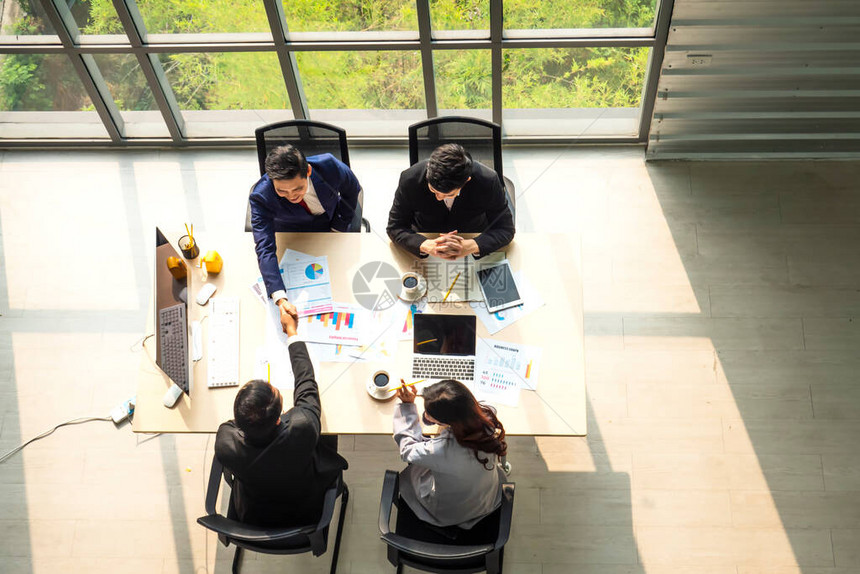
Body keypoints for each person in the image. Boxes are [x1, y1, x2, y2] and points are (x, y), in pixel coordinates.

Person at [214, 308, 348, 527]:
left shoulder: (225, 443)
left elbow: (231, 426)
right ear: (279, 418)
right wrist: (292, 334)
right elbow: (306, 386)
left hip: (253, 515)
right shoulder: (302, 428)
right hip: (305, 512)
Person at [250, 144, 363, 333]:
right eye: (282, 192)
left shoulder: (328, 166)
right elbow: (264, 247)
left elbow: (352, 189)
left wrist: (338, 226)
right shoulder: (261, 196)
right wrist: (280, 297)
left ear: (308, 171)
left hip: (331, 223)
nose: (292, 196)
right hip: (292, 234)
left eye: (297, 189)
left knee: (342, 285)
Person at [393, 379, 507, 529]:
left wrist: (408, 407)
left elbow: (407, 451)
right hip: (485, 500)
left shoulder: (440, 450)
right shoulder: (488, 418)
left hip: (451, 512)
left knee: (411, 477)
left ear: (444, 421)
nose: (426, 416)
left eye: (429, 414)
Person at [387, 143, 514, 260]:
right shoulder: (409, 179)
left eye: (449, 194)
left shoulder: (488, 180)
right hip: (427, 236)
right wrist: (425, 244)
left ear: (466, 181)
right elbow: (395, 227)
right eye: (433, 190)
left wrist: (472, 245)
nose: (438, 198)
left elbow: (506, 229)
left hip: (470, 236)